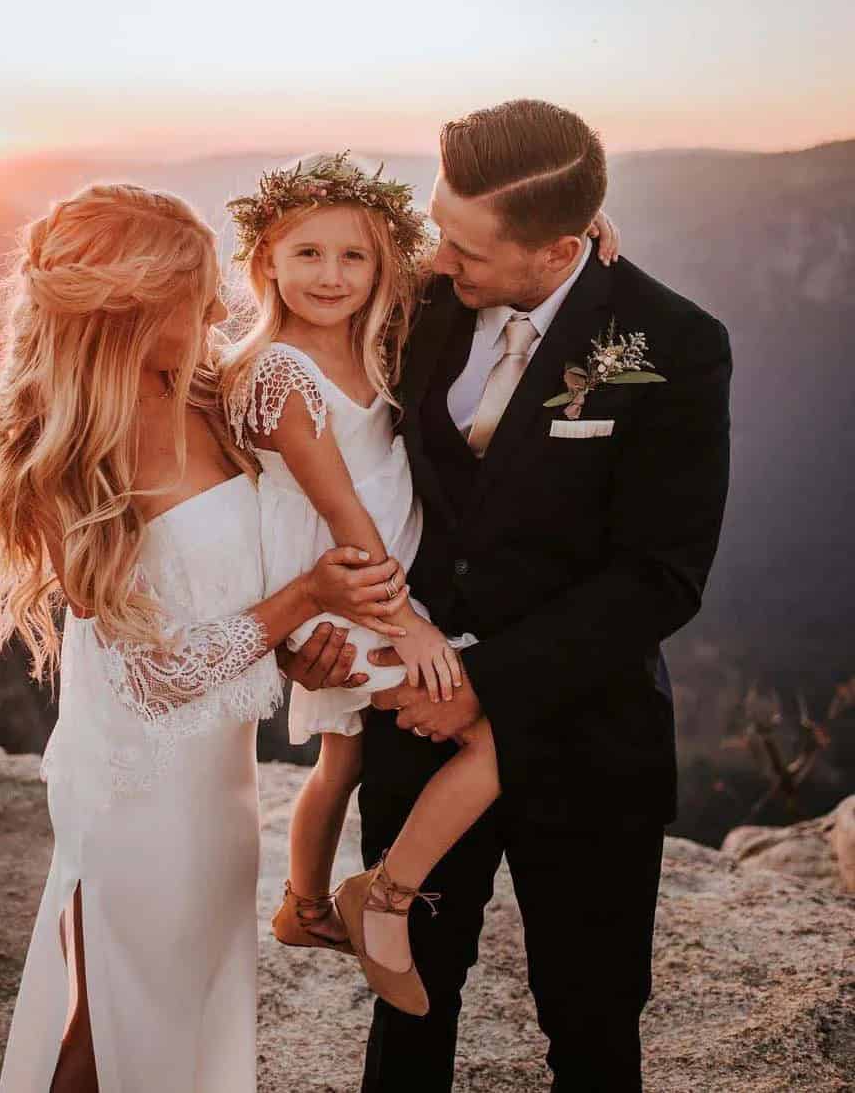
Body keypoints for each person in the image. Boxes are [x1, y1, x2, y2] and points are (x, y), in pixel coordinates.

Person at [311, 99, 732, 1092]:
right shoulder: (422, 301)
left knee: (590, 1022)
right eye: (435, 228)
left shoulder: (673, 343)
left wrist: (482, 682)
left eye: (463, 246)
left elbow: (662, 575)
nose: (439, 258)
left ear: (558, 250)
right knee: (409, 1008)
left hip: (587, 734)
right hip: (412, 725)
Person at [0, 182, 408, 1093]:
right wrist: (301, 599)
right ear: (128, 310)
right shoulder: (76, 455)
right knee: (119, 1019)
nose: (215, 308)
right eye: (191, 294)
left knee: (184, 997)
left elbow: (236, 578)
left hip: (217, 779)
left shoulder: (210, 392)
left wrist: (297, 643)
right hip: (135, 782)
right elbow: (158, 678)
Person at [221, 154, 620, 1019]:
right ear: (266, 265)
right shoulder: (281, 373)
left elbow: (488, 255)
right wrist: (412, 630)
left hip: (383, 587)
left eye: (354, 258)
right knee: (493, 727)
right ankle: (388, 895)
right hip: (344, 588)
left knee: (347, 752)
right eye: (307, 256)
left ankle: (303, 904)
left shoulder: (379, 327)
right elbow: (345, 518)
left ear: (383, 266)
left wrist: (576, 233)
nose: (332, 276)